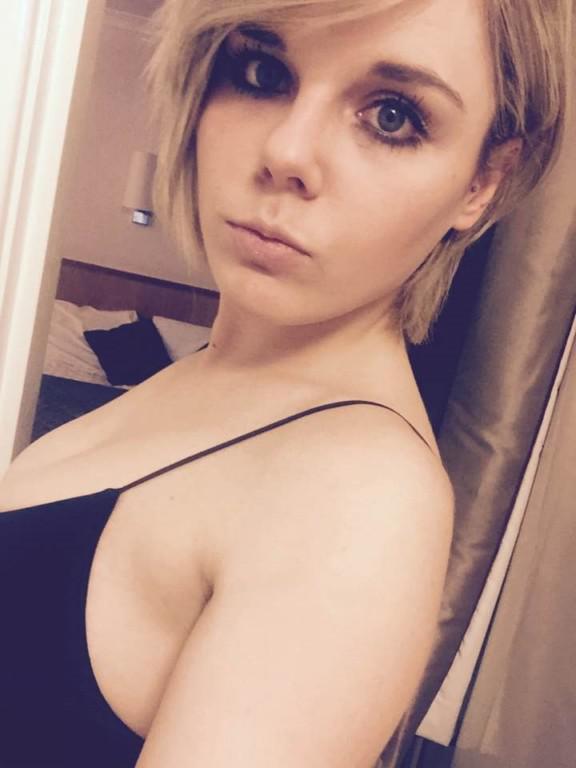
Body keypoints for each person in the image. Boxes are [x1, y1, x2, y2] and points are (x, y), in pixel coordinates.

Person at [0, 0, 569, 766]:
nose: (287, 151)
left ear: (483, 183)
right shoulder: (206, 381)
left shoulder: (361, 497)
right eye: (262, 72)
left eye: (393, 117)